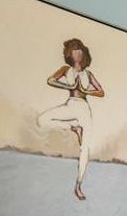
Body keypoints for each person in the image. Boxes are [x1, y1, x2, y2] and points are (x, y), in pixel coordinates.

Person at [37, 38, 104, 201]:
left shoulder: (88, 73)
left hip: (84, 109)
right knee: (42, 119)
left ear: (84, 53)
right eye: (74, 50)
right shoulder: (65, 69)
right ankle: (73, 127)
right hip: (71, 104)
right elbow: (50, 80)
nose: (78, 53)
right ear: (69, 53)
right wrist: (69, 87)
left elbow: (101, 91)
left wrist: (85, 91)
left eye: (80, 50)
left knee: (85, 148)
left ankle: (78, 185)